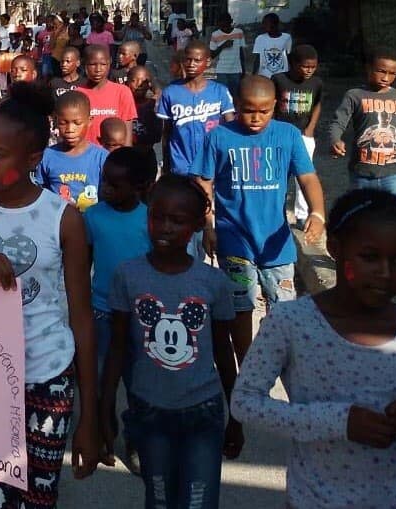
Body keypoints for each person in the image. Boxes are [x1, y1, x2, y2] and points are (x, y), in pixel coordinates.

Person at [0, 82, 100, 508]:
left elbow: (81, 318)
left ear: (32, 159)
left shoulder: (62, 219)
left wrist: (91, 415)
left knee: (35, 498)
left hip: (47, 375)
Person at [238, 187, 396, 507]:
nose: (385, 273)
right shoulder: (291, 322)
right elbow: (245, 402)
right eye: (370, 257)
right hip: (317, 499)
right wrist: (337, 421)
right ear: (334, 248)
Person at [101, 173, 245, 509]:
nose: (165, 227)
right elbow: (118, 346)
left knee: (199, 501)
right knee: (160, 499)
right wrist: (105, 406)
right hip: (148, 411)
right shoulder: (128, 274)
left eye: (177, 220)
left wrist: (235, 416)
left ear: (197, 225)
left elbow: (224, 352)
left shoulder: (213, 282)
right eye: (157, 217)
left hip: (203, 412)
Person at [191, 76, 326, 352]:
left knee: (284, 310)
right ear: (236, 105)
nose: (255, 118)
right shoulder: (218, 136)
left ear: (275, 106)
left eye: (264, 111)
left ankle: (275, 358)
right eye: (248, 110)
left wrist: (318, 212)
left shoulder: (288, 135)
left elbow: (308, 177)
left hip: (275, 242)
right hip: (234, 240)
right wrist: (208, 225)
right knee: (240, 308)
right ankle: (246, 363)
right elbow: (204, 181)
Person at [83, 147, 155, 469]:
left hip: (143, 318)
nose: (106, 188)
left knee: (139, 384)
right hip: (102, 313)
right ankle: (103, 433)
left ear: (140, 187)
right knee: (100, 383)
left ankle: (136, 439)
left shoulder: (150, 220)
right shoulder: (93, 217)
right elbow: (82, 266)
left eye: (115, 184)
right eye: (104, 182)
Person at [327, 46, 396, 298]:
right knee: (362, 222)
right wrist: (335, 139)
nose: (385, 77)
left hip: (395, 171)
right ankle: (356, 270)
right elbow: (338, 121)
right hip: (363, 171)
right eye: (380, 71)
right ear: (369, 69)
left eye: (392, 73)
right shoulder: (354, 95)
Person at [158, 41, 235, 176]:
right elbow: (167, 133)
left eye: (197, 60)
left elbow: (231, 129)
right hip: (181, 165)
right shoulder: (170, 92)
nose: (191, 64)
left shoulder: (220, 91)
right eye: (188, 60)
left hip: (213, 165)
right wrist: (166, 164)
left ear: (208, 62)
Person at [273, 44, 324, 229]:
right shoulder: (278, 79)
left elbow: (317, 105)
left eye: (313, 67)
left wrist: (310, 127)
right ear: (292, 63)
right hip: (281, 134)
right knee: (279, 173)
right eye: (305, 66)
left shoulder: (316, 83)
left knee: (305, 174)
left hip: (304, 135)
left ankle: (302, 215)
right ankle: (278, 212)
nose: (309, 70)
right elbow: (272, 104)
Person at [37, 91, 109, 211]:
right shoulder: (46, 157)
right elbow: (40, 193)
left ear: (90, 120)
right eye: (63, 123)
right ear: (55, 121)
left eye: (77, 123)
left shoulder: (101, 158)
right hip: (58, 224)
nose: (70, 129)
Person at [78, 45, 138, 144]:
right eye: (93, 64)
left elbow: (127, 133)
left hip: (114, 156)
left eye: (103, 64)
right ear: (84, 65)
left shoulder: (122, 92)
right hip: (85, 155)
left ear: (109, 63)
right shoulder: (77, 94)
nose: (98, 69)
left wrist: (125, 157)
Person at [209, 13, 246, 100]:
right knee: (224, 94)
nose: (224, 27)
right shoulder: (215, 35)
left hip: (236, 69)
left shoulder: (239, 32)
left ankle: (234, 112)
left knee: (235, 95)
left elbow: (241, 51)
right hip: (222, 70)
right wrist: (223, 45)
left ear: (231, 22)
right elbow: (212, 55)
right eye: (221, 25)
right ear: (218, 24)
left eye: (226, 25)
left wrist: (243, 68)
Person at [127, 66, 162, 150]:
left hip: (146, 153)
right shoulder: (122, 104)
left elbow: (157, 136)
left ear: (149, 84)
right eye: (133, 80)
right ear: (127, 82)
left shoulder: (153, 106)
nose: (139, 84)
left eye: (143, 81)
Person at [251, 13, 292, 78]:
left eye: (265, 23)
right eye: (263, 23)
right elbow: (257, 59)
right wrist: (253, 75)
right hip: (264, 75)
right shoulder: (260, 38)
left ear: (274, 24)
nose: (263, 25)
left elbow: (288, 56)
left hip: (281, 75)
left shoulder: (287, 38)